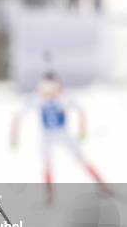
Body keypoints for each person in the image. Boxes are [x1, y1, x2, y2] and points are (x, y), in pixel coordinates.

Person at [11, 72, 110, 201]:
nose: (49, 91)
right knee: (46, 163)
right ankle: (49, 194)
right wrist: (14, 137)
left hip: (64, 134)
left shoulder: (64, 97)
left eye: (52, 87)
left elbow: (81, 110)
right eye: (45, 87)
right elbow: (18, 116)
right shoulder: (36, 98)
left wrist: (82, 132)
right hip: (47, 135)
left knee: (81, 159)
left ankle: (102, 184)